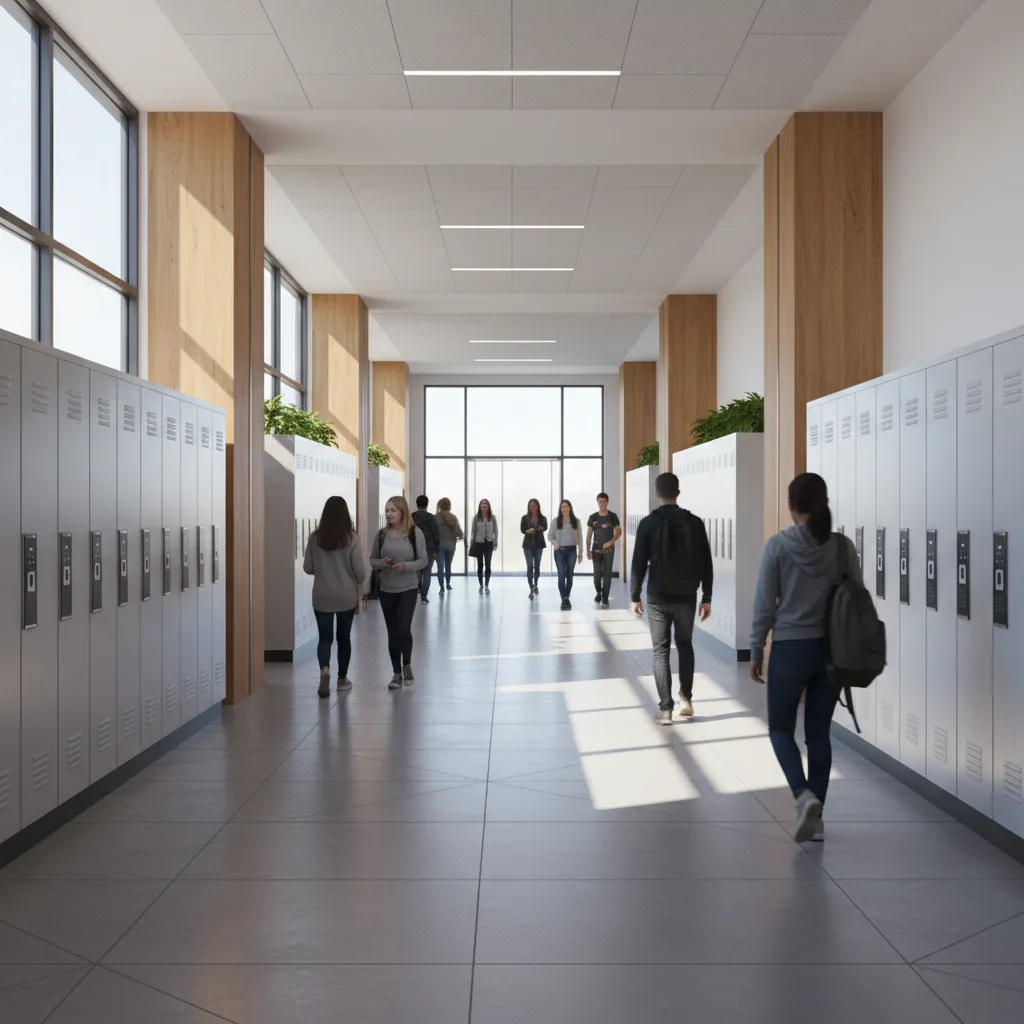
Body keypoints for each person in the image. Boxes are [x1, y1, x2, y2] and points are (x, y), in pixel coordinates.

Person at [750, 472, 860, 844]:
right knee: (818, 734)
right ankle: (818, 820)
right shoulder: (842, 547)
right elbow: (856, 599)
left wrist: (755, 649)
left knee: (780, 729)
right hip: (831, 651)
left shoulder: (778, 546)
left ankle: (803, 794)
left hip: (790, 649)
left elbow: (764, 604)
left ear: (791, 505)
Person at [630, 472, 713, 724]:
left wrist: (635, 595)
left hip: (658, 596)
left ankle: (665, 710)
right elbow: (705, 561)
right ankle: (686, 699)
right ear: (678, 492)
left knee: (661, 651)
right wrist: (707, 596)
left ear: (657, 493)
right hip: (687, 595)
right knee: (685, 645)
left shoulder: (648, 524)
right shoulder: (695, 523)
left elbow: (638, 563)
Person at [303, 496, 367, 699]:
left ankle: (324, 670)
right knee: (343, 637)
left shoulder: (315, 538)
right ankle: (342, 679)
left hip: (322, 596)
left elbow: (307, 567)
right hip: (346, 596)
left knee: (325, 638)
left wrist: (324, 570)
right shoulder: (352, 538)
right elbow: (360, 574)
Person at [369, 496, 428, 690]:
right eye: (387, 510)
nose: (389, 514)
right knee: (392, 632)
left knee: (404, 629)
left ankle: (407, 665)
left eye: (393, 510)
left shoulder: (414, 533)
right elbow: (372, 560)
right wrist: (383, 562)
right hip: (386, 589)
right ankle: (396, 673)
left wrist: (405, 566)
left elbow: (423, 560)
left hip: (408, 587)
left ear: (402, 511)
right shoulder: (381, 535)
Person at [587, 492, 622, 608]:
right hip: (596, 551)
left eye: (604, 501)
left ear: (607, 502)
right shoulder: (593, 517)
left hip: (609, 551)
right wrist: (587, 550)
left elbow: (619, 532)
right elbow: (589, 535)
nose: (602, 504)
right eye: (600, 502)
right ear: (597, 503)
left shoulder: (613, 516)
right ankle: (599, 592)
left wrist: (611, 542)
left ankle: (605, 598)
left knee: (607, 575)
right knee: (597, 576)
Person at [548, 499, 584, 610]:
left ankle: (566, 597)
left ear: (570, 508)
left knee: (569, 575)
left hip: (572, 551)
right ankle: (564, 598)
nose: (564, 509)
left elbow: (580, 538)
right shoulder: (555, 521)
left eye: (566, 506)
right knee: (561, 574)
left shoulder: (576, 521)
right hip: (560, 550)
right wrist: (555, 543)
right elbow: (550, 536)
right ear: (560, 509)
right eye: (562, 507)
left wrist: (580, 553)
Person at [411, 495, 441, 605]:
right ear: (427, 504)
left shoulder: (412, 516)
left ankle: (416, 591)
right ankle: (424, 597)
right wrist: (436, 549)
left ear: (417, 504)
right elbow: (436, 534)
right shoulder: (430, 517)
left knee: (416, 571)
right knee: (427, 572)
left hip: (415, 547)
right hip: (429, 547)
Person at [435, 497, 463, 595]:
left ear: (440, 505)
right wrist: (459, 536)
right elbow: (459, 533)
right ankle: (448, 584)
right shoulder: (453, 517)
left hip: (439, 546)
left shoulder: (435, 517)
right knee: (448, 566)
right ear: (449, 506)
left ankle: (441, 588)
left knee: (440, 568)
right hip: (450, 546)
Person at [520, 498, 548, 599]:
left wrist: (539, 529)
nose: (533, 507)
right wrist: (528, 531)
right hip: (528, 545)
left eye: (534, 506)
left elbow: (545, 527)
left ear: (538, 507)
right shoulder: (524, 518)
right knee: (530, 565)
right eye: (531, 506)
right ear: (529, 507)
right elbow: (522, 529)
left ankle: (535, 584)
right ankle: (531, 587)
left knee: (537, 565)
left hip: (539, 544)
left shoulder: (543, 518)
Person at [471, 498, 498, 594]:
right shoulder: (476, 517)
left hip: (489, 543)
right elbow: (473, 530)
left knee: (488, 564)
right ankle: (481, 585)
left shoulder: (492, 517)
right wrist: (472, 542)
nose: (484, 506)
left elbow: (496, 530)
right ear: (480, 506)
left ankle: (486, 585)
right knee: (480, 564)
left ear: (488, 506)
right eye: (482, 504)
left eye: (486, 504)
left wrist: (495, 541)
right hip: (478, 543)